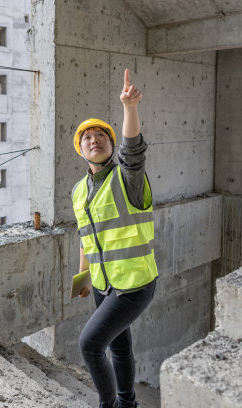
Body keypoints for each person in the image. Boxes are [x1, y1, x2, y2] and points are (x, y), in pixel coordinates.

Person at [70, 69, 158, 408]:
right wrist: (83, 279)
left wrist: (129, 107)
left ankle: (110, 406)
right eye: (87, 138)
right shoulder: (79, 191)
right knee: (119, 348)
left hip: (135, 284)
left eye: (101, 136)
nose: (94, 140)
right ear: (80, 150)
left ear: (110, 144)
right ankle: (128, 402)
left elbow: (133, 149)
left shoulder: (126, 178)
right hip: (104, 286)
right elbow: (86, 238)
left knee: (90, 345)